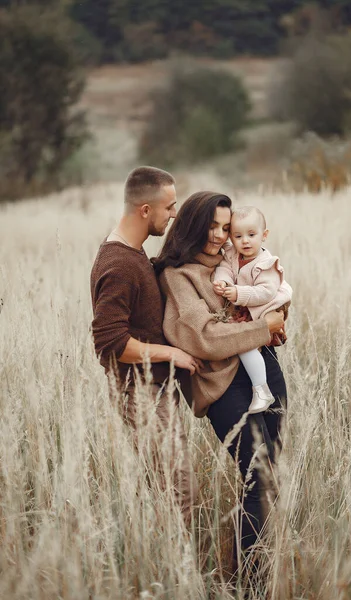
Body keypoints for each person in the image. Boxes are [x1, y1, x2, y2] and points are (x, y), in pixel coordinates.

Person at [153, 191, 287, 555]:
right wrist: (263, 328)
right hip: (223, 387)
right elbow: (202, 336)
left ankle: (261, 569)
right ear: (192, 225)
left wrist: (274, 320)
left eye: (225, 227)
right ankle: (251, 583)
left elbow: (266, 298)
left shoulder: (231, 260)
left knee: (270, 474)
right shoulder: (177, 275)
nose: (219, 235)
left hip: (263, 372)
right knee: (257, 474)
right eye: (211, 226)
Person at [90, 166, 200, 523]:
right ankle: (184, 577)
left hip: (155, 389)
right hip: (141, 393)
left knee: (168, 490)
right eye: (170, 207)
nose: (173, 215)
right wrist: (173, 353)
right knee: (179, 494)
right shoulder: (120, 263)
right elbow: (109, 342)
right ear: (145, 210)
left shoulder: (133, 253)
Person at [213, 206, 292, 414]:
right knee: (243, 342)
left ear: (264, 235)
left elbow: (266, 292)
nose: (245, 241)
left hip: (263, 309)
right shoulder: (232, 254)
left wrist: (238, 293)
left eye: (251, 235)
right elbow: (225, 269)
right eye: (238, 236)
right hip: (247, 311)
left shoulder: (266, 263)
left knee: (245, 344)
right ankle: (258, 387)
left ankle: (261, 389)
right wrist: (222, 282)